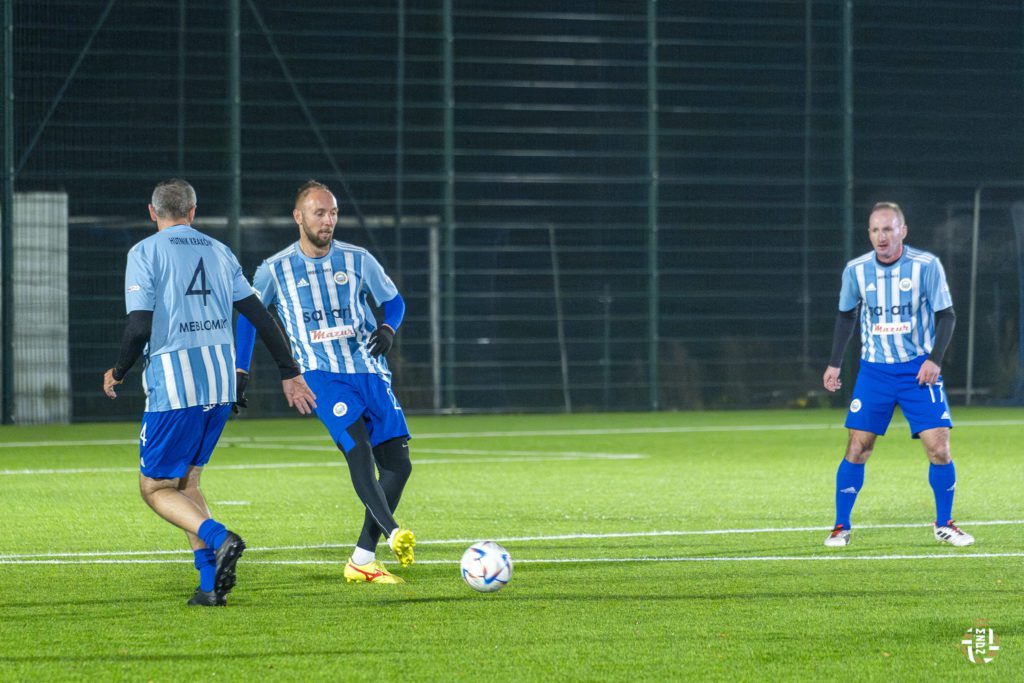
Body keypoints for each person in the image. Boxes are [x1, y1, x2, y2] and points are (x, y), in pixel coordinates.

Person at [103, 179, 317, 606]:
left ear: (153, 212)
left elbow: (139, 325)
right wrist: (289, 370)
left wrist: (119, 371)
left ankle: (220, 538)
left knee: (155, 488)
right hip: (221, 384)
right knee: (187, 483)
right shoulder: (220, 252)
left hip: (175, 388)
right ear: (193, 211)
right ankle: (210, 585)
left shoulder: (145, 252)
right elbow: (260, 316)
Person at [234, 180, 415, 584]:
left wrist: (388, 327)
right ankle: (393, 532)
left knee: (398, 466)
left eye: (333, 212)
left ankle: (362, 559)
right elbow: (250, 317)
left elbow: (394, 301)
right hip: (321, 375)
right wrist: (240, 371)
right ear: (298, 217)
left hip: (370, 371)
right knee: (358, 449)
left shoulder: (358, 259)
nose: (328, 220)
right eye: (319, 213)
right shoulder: (274, 269)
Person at [822, 201, 972, 547]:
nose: (882, 236)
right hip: (875, 373)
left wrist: (934, 360)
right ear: (869, 234)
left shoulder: (926, 266)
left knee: (939, 449)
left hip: (918, 371)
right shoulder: (856, 270)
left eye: (888, 229)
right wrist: (834, 363)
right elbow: (846, 316)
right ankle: (841, 526)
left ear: (902, 231)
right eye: (875, 230)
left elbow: (946, 315)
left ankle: (945, 523)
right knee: (858, 448)